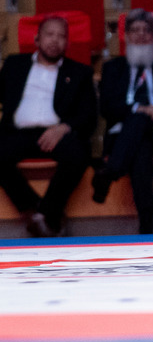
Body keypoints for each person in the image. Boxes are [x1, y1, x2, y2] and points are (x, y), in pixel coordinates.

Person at [0, 16, 97, 237]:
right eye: (49, 34)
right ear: (37, 38)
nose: (55, 40)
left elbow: (88, 116)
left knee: (79, 154)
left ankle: (43, 213)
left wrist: (63, 128)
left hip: (56, 133)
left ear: (68, 43)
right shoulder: (14, 65)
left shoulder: (79, 72)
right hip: (17, 133)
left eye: (61, 36)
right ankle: (41, 211)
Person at [93, 9, 153, 234]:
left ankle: (110, 171)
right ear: (126, 36)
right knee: (140, 145)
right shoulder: (112, 69)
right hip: (123, 136)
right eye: (134, 30)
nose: (140, 35)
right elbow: (106, 109)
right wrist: (140, 109)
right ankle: (147, 223)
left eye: (145, 30)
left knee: (142, 130)